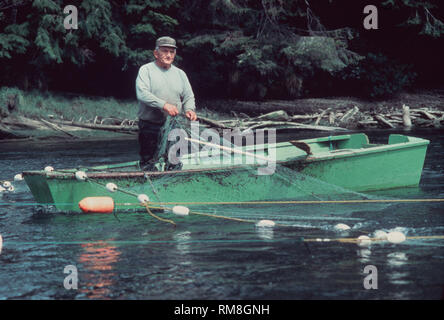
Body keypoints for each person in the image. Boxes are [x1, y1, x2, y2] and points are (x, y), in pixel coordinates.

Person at [135, 36, 197, 170]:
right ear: (156, 53)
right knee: (148, 161)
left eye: (172, 52)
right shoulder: (145, 70)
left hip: (175, 125)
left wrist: (190, 109)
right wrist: (164, 105)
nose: (169, 55)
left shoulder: (180, 74)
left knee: (174, 160)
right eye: (165, 51)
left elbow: (188, 95)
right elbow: (142, 94)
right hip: (150, 125)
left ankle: (172, 183)